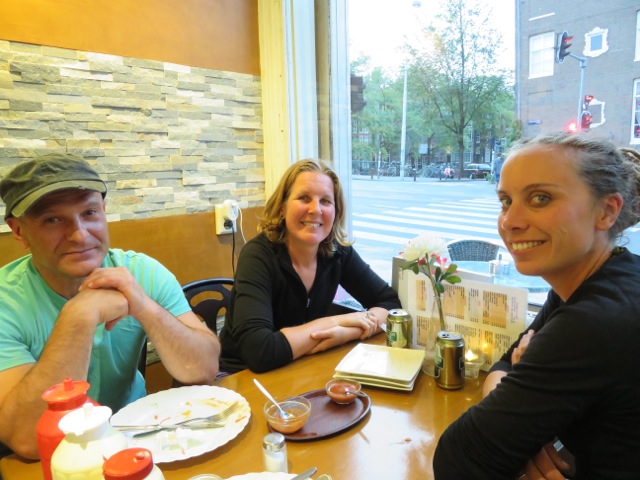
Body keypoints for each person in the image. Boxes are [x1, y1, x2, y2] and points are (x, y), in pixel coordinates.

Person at [434, 132, 640, 479]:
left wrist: (515, 423)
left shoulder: (596, 320)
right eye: (505, 201)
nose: (510, 221)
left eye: (540, 198)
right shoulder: (582, 284)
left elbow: (458, 460)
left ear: (607, 211)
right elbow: (505, 361)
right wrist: (526, 435)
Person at [0, 154, 220, 459]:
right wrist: (79, 316)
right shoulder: (6, 302)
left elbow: (204, 369)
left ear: (103, 211)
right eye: (52, 219)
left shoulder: (142, 272)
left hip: (136, 435)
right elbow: (27, 440)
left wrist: (143, 305)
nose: (79, 235)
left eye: (89, 212)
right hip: (60, 457)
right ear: (19, 231)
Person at [219, 159, 401, 373]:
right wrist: (335, 322)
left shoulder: (338, 252)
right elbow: (259, 351)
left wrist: (346, 333)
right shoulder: (257, 256)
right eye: (304, 198)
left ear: (336, 212)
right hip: (243, 376)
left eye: (326, 201)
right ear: (282, 208)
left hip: (301, 365)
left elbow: (391, 304)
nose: (316, 209)